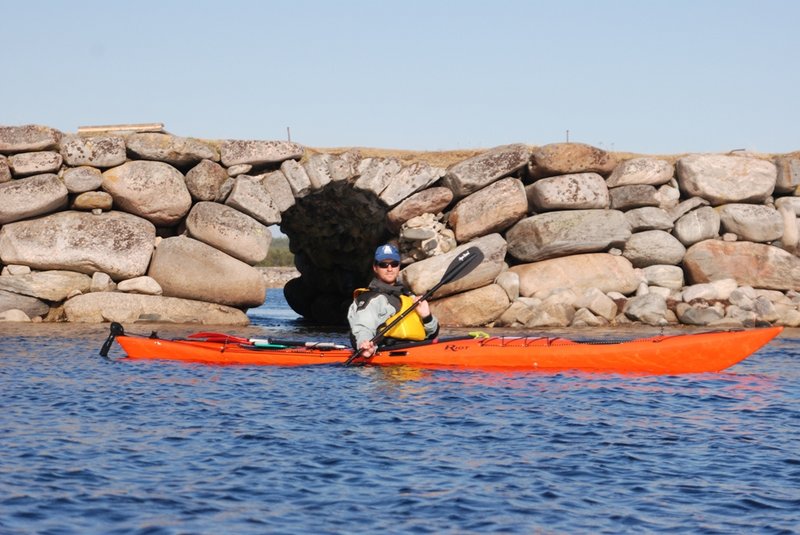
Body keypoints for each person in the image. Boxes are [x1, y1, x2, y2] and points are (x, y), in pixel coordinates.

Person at [347, 244, 439, 358]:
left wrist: (427, 317)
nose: (389, 269)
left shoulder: (409, 297)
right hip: (384, 363)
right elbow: (363, 327)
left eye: (394, 264)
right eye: (383, 265)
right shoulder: (371, 299)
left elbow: (433, 335)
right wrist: (364, 344)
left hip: (415, 357)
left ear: (399, 267)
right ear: (375, 268)